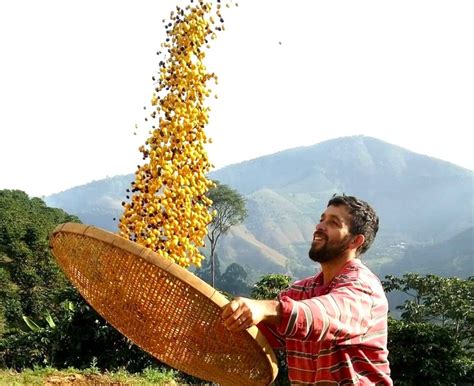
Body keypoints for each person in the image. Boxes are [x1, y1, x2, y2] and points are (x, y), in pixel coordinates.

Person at [221, 194, 392, 385]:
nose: (319, 227)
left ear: (355, 241)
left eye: (333, 223)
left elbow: (325, 315)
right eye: (322, 220)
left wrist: (267, 309)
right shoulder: (300, 292)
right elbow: (253, 336)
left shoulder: (364, 288)